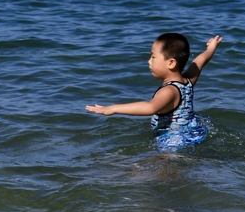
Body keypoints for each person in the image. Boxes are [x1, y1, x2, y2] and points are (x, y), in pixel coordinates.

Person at [86, 33, 223, 149]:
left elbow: (150, 107)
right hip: (193, 132)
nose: (149, 61)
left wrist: (113, 108)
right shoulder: (188, 81)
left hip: (173, 141)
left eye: (153, 57)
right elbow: (200, 60)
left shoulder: (169, 90)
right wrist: (211, 48)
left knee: (159, 172)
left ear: (171, 63)